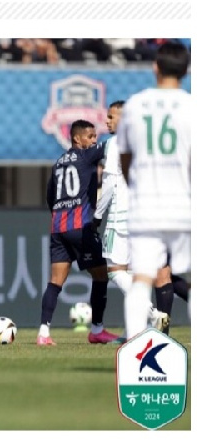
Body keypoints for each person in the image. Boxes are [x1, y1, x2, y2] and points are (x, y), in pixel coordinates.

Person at [118, 41, 191, 339]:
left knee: (141, 281)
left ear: (155, 67)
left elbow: (124, 157)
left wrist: (137, 185)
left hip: (145, 205)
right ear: (186, 71)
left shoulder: (135, 104)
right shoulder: (191, 106)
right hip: (184, 205)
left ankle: (136, 354)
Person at [37, 119, 119, 346]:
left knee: (55, 282)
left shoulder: (58, 164)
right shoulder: (86, 156)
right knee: (102, 274)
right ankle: (97, 330)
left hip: (57, 227)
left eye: (95, 137)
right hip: (80, 227)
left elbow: (50, 198)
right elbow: (113, 144)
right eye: (91, 136)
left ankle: (43, 332)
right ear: (77, 139)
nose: (94, 140)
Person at [93, 101, 170, 332]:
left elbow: (108, 184)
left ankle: (154, 314)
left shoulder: (114, 144)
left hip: (121, 216)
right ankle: (137, 330)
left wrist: (97, 215)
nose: (107, 120)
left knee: (116, 272)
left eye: (111, 116)